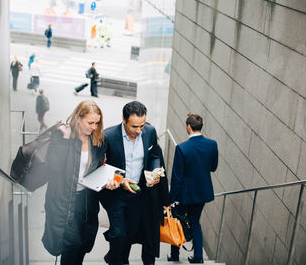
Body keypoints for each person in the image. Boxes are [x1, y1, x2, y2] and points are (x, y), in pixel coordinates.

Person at [99, 101, 169, 265]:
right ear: (124, 120)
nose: (139, 131)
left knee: (130, 233)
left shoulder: (150, 132)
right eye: (134, 126)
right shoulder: (108, 136)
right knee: (119, 234)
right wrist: (120, 180)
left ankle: (117, 258)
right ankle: (116, 261)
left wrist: (154, 170)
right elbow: (101, 167)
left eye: (142, 126)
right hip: (116, 194)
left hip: (138, 192)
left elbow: (154, 156)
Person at [42, 100, 106, 265]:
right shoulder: (62, 134)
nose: (93, 127)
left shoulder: (97, 139)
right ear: (78, 118)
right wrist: (64, 137)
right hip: (64, 201)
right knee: (71, 244)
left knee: (82, 245)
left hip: (87, 202)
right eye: (90, 122)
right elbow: (54, 168)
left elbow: (99, 167)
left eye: (97, 123)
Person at [168, 113, 218, 263]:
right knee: (195, 222)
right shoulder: (212, 144)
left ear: (188, 127)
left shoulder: (182, 148)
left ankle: (175, 256)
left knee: (177, 222)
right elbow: (213, 167)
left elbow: (177, 177)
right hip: (202, 193)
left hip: (184, 195)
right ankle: (198, 258)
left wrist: (171, 199)